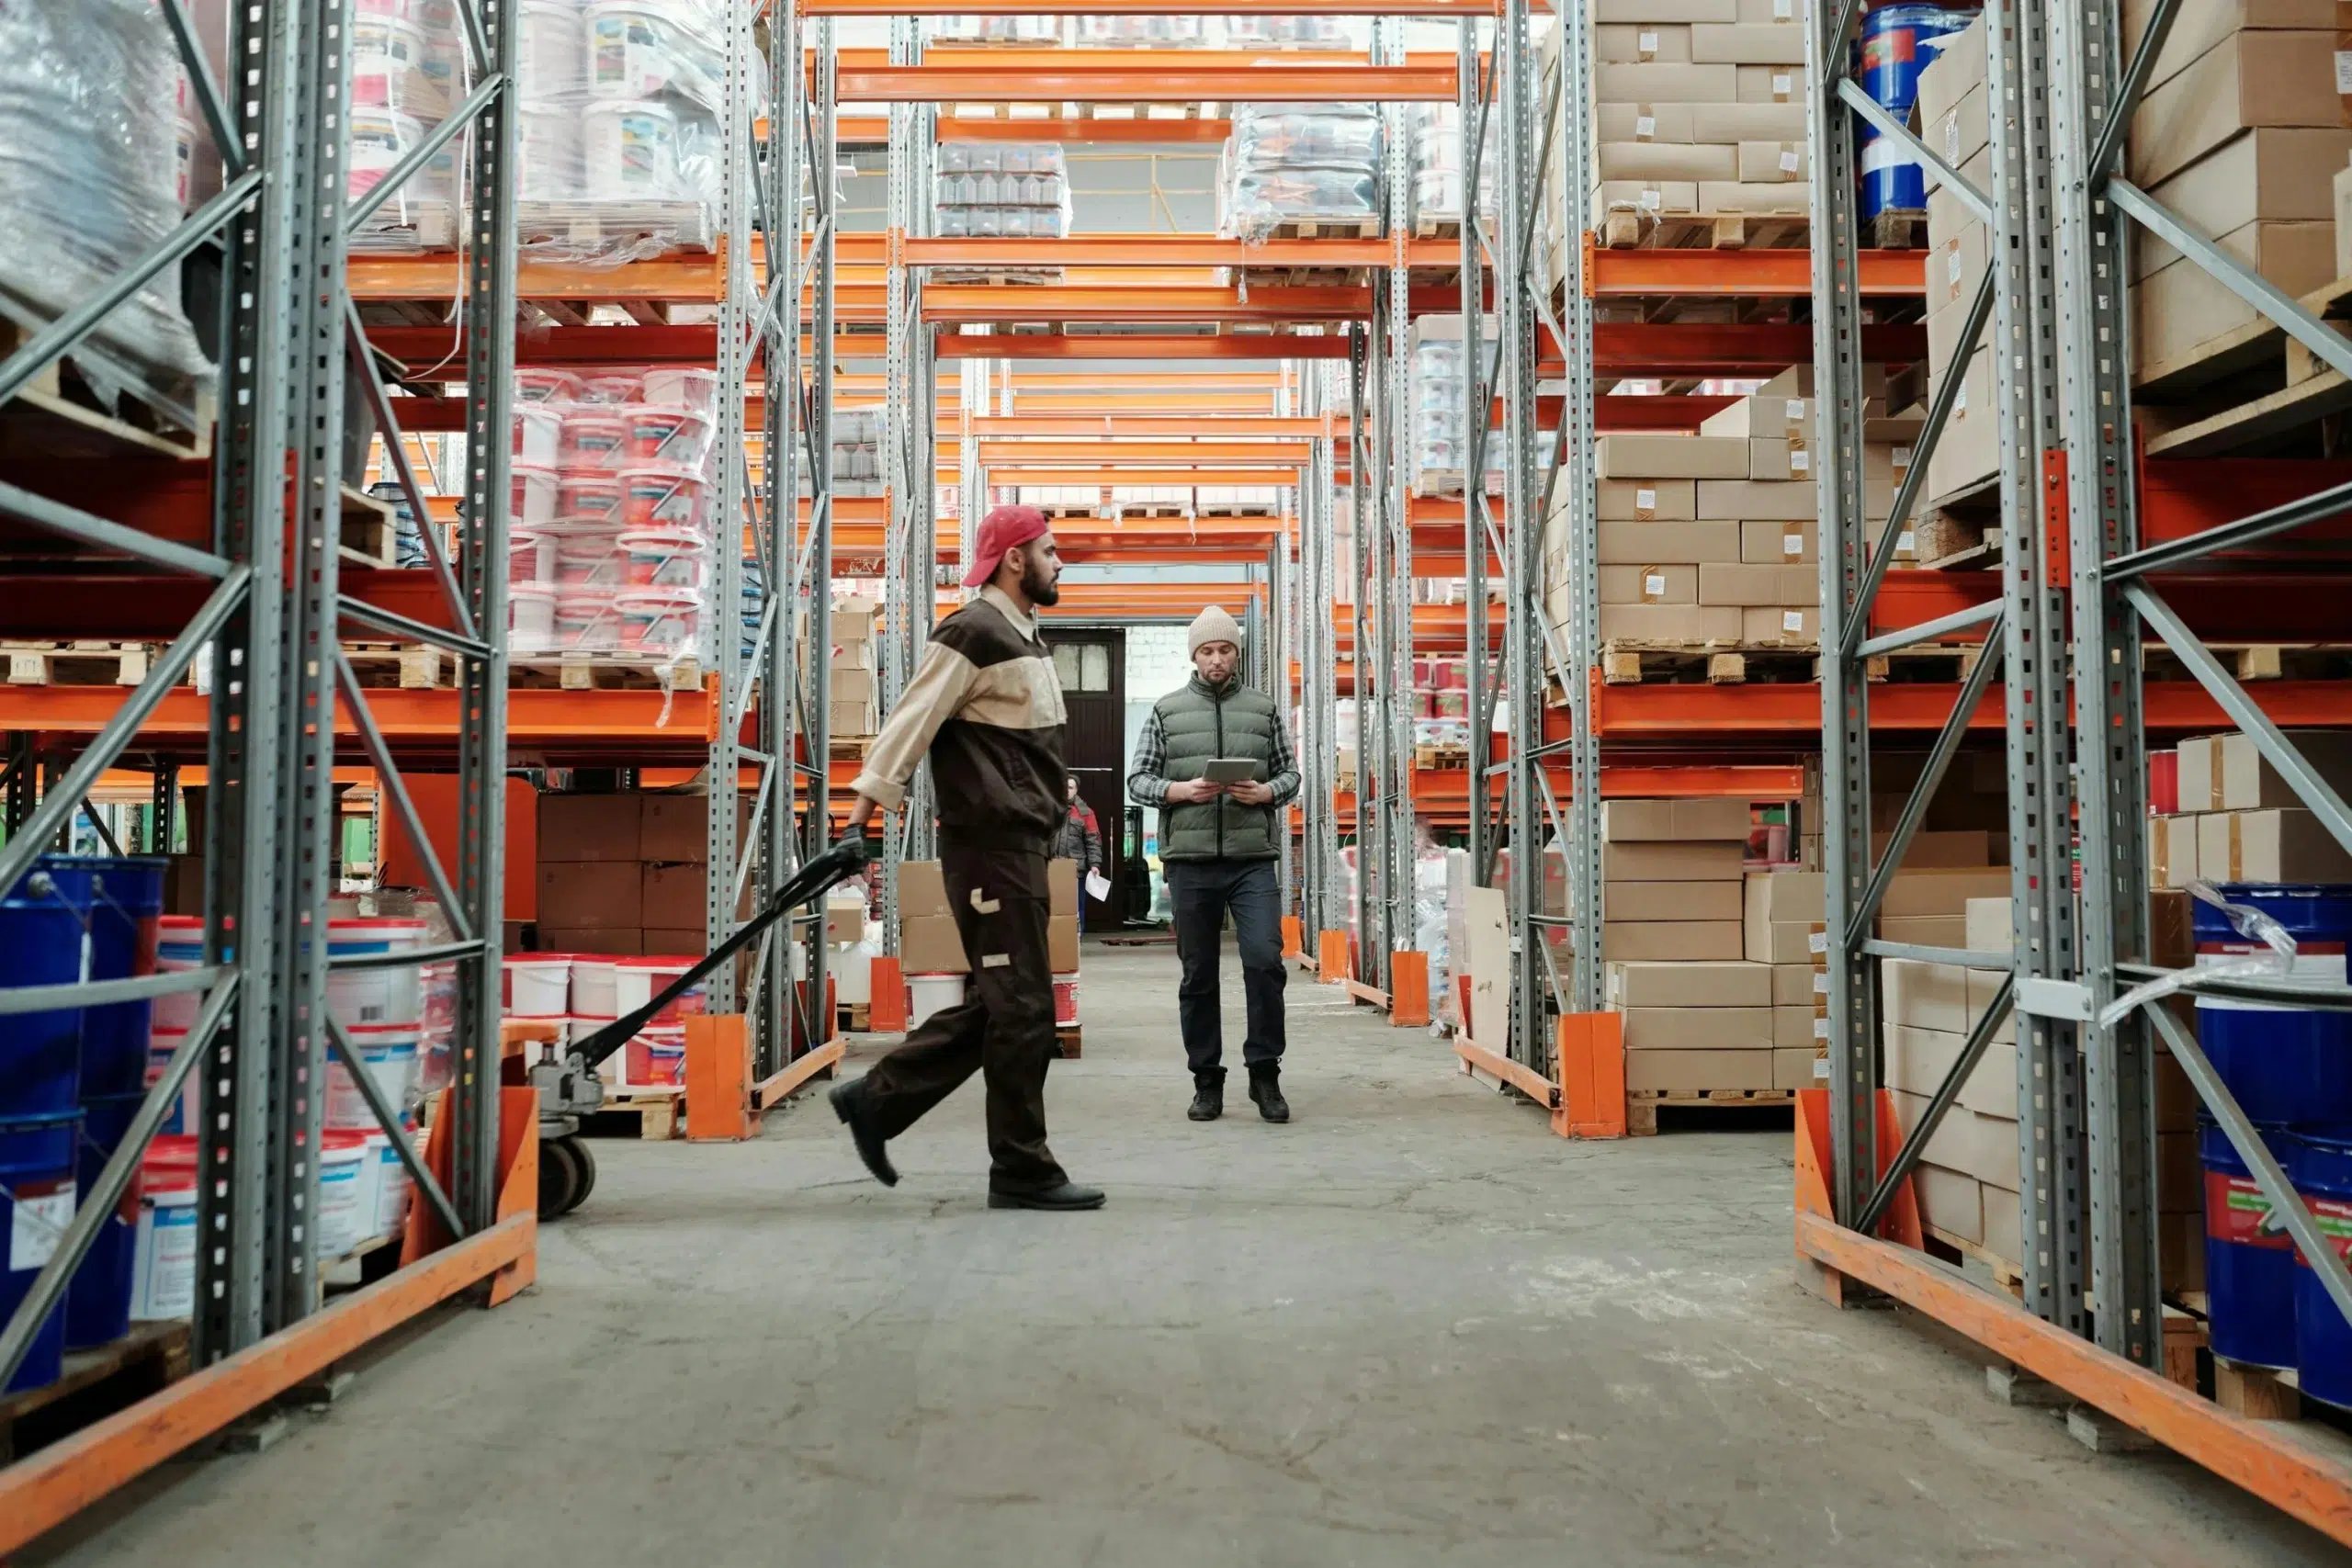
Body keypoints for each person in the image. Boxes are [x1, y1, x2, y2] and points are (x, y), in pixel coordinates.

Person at [828, 505, 1103, 1212]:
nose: (1058, 561)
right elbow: (909, 722)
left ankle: (876, 1102)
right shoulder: (971, 631)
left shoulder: (1023, 636)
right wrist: (859, 817)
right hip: (989, 851)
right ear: (1016, 558)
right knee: (1023, 1012)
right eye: (1049, 549)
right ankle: (1021, 1167)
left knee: (1004, 1006)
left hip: (1022, 848)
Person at [1126, 605, 1300, 1124]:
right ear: (1195, 657)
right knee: (1198, 975)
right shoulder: (1166, 711)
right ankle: (1207, 1081)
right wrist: (1177, 791)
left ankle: (1264, 1074)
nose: (1217, 659)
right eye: (1207, 651)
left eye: (1225, 650)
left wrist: (1266, 791)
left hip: (1251, 862)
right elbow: (1138, 780)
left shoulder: (1264, 709)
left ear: (1236, 654)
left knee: (1265, 962)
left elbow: (1290, 773)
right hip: (1190, 863)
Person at [1052, 776, 1103, 931]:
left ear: (1076, 791)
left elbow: (1093, 840)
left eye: (1071, 788)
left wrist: (1095, 864)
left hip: (1075, 869)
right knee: (1052, 905)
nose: (1067, 791)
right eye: (1064, 787)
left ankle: (1076, 940)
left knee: (1076, 906)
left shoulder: (1085, 813)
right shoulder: (1051, 809)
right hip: (1051, 866)